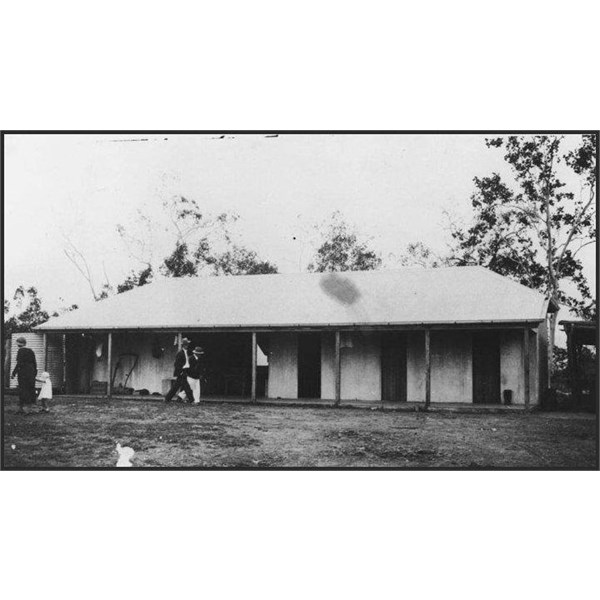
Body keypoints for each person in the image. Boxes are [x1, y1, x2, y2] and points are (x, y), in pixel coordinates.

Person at [164, 337, 195, 403]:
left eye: (187, 344)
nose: (187, 346)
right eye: (186, 345)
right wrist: (180, 372)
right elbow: (176, 364)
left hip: (185, 370)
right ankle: (192, 400)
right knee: (187, 387)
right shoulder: (180, 353)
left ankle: (167, 399)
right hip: (182, 371)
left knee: (175, 387)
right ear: (183, 345)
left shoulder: (187, 352)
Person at [11, 336, 37, 414]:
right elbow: (34, 363)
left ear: (20, 343)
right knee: (30, 389)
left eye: (17, 342)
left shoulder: (20, 351)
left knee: (23, 389)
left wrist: (13, 373)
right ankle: (28, 409)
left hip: (23, 373)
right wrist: (34, 373)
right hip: (31, 372)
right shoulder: (31, 351)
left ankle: (23, 409)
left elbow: (19, 363)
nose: (16, 344)